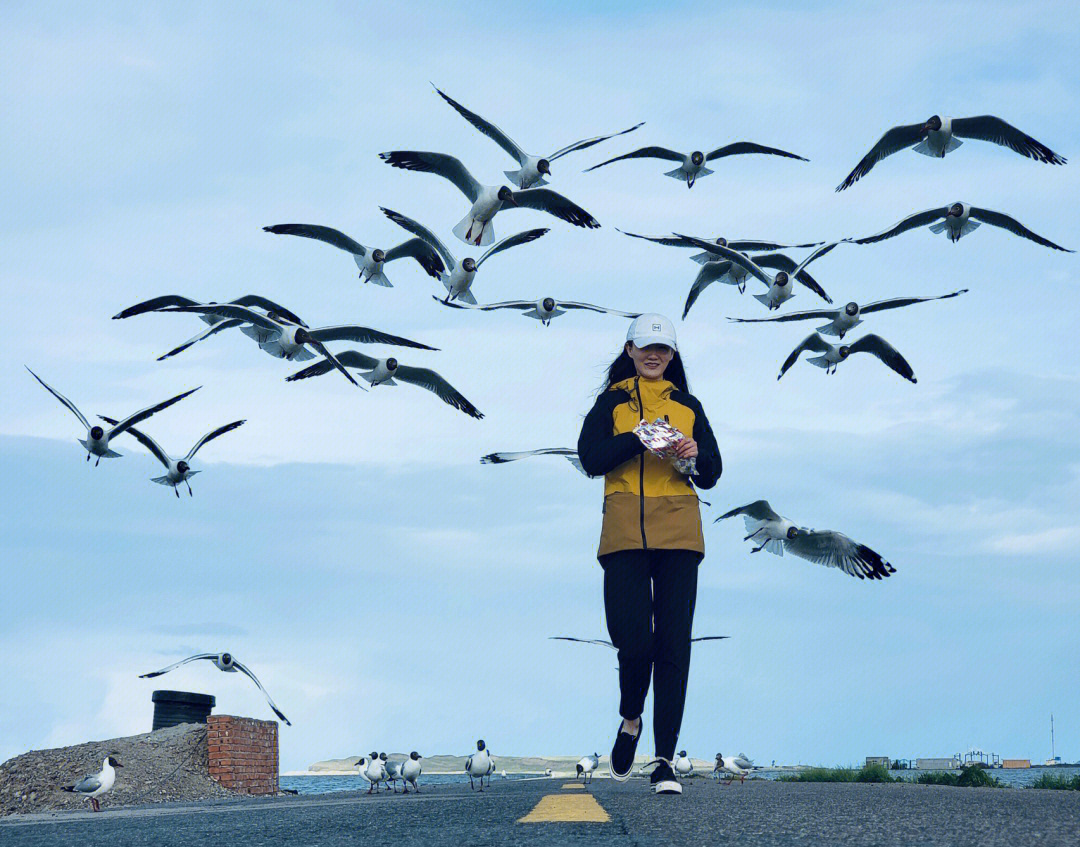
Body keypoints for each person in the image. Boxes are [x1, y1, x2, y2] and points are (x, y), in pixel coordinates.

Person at [577, 314, 721, 795]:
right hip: (623, 532)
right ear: (630, 349)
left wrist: (691, 455)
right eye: (646, 347)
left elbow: (713, 473)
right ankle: (630, 718)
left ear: (673, 355)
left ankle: (663, 761)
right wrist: (635, 437)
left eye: (663, 348)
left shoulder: (688, 404)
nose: (655, 354)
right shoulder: (612, 402)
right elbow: (590, 459)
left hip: (680, 530)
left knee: (674, 647)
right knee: (633, 641)